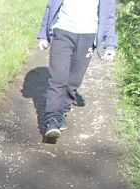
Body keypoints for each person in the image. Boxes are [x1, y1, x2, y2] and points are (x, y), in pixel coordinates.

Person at [37, 0, 117, 144]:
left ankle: (62, 112)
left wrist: (110, 44)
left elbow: (109, 16)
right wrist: (43, 35)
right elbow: (51, 7)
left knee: (73, 81)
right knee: (58, 79)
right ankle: (53, 120)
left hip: (88, 36)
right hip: (62, 32)